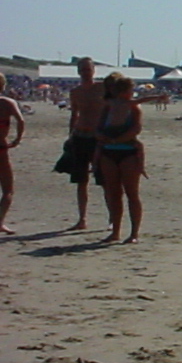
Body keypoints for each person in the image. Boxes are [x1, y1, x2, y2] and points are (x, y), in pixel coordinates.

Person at [95, 72, 145, 244]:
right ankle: (115, 231)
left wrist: (116, 139)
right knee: (113, 193)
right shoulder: (108, 107)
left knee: (132, 193)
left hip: (128, 152)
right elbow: (98, 127)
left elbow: (136, 129)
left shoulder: (134, 108)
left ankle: (134, 233)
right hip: (108, 152)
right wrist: (104, 138)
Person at [63, 57, 105, 229]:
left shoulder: (102, 87)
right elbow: (74, 115)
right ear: (78, 71)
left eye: (88, 69)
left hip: (99, 138)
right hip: (80, 136)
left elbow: (114, 107)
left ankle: (112, 219)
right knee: (81, 180)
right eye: (83, 69)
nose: (86, 73)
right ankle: (82, 219)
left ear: (94, 70)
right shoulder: (75, 92)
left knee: (105, 179)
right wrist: (70, 136)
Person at [0, 73, 26, 234]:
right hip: (1, 146)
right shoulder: (7, 103)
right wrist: (17, 139)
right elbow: (20, 120)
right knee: (8, 189)